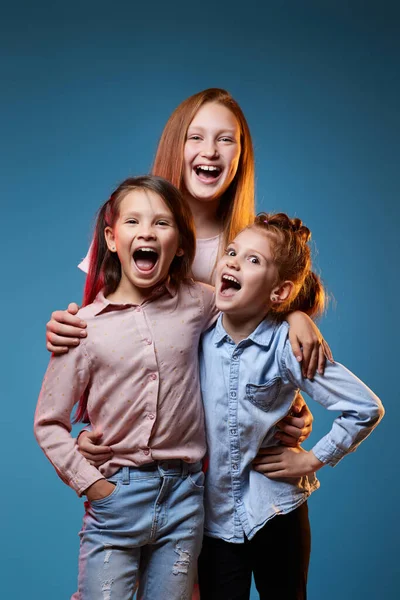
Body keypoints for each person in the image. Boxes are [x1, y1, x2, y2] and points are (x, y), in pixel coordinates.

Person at [46, 89, 330, 448]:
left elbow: (265, 334)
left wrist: (295, 318)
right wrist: (67, 331)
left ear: (242, 157)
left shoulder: (250, 245)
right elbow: (103, 329)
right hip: (149, 449)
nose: (210, 151)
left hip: (231, 445)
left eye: (225, 140)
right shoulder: (130, 230)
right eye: (195, 137)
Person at [34, 175, 219, 600]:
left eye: (162, 223)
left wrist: (299, 317)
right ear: (112, 239)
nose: (147, 232)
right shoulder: (82, 329)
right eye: (133, 221)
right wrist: (93, 485)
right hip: (118, 499)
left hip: (185, 501)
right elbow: (48, 424)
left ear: (182, 244)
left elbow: (254, 314)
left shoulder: (202, 303)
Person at [196, 213, 384, 600]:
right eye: (232, 252)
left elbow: (365, 407)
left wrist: (313, 459)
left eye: (253, 260)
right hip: (212, 523)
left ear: (279, 292)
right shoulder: (196, 335)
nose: (232, 261)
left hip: (276, 512)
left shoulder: (287, 346)